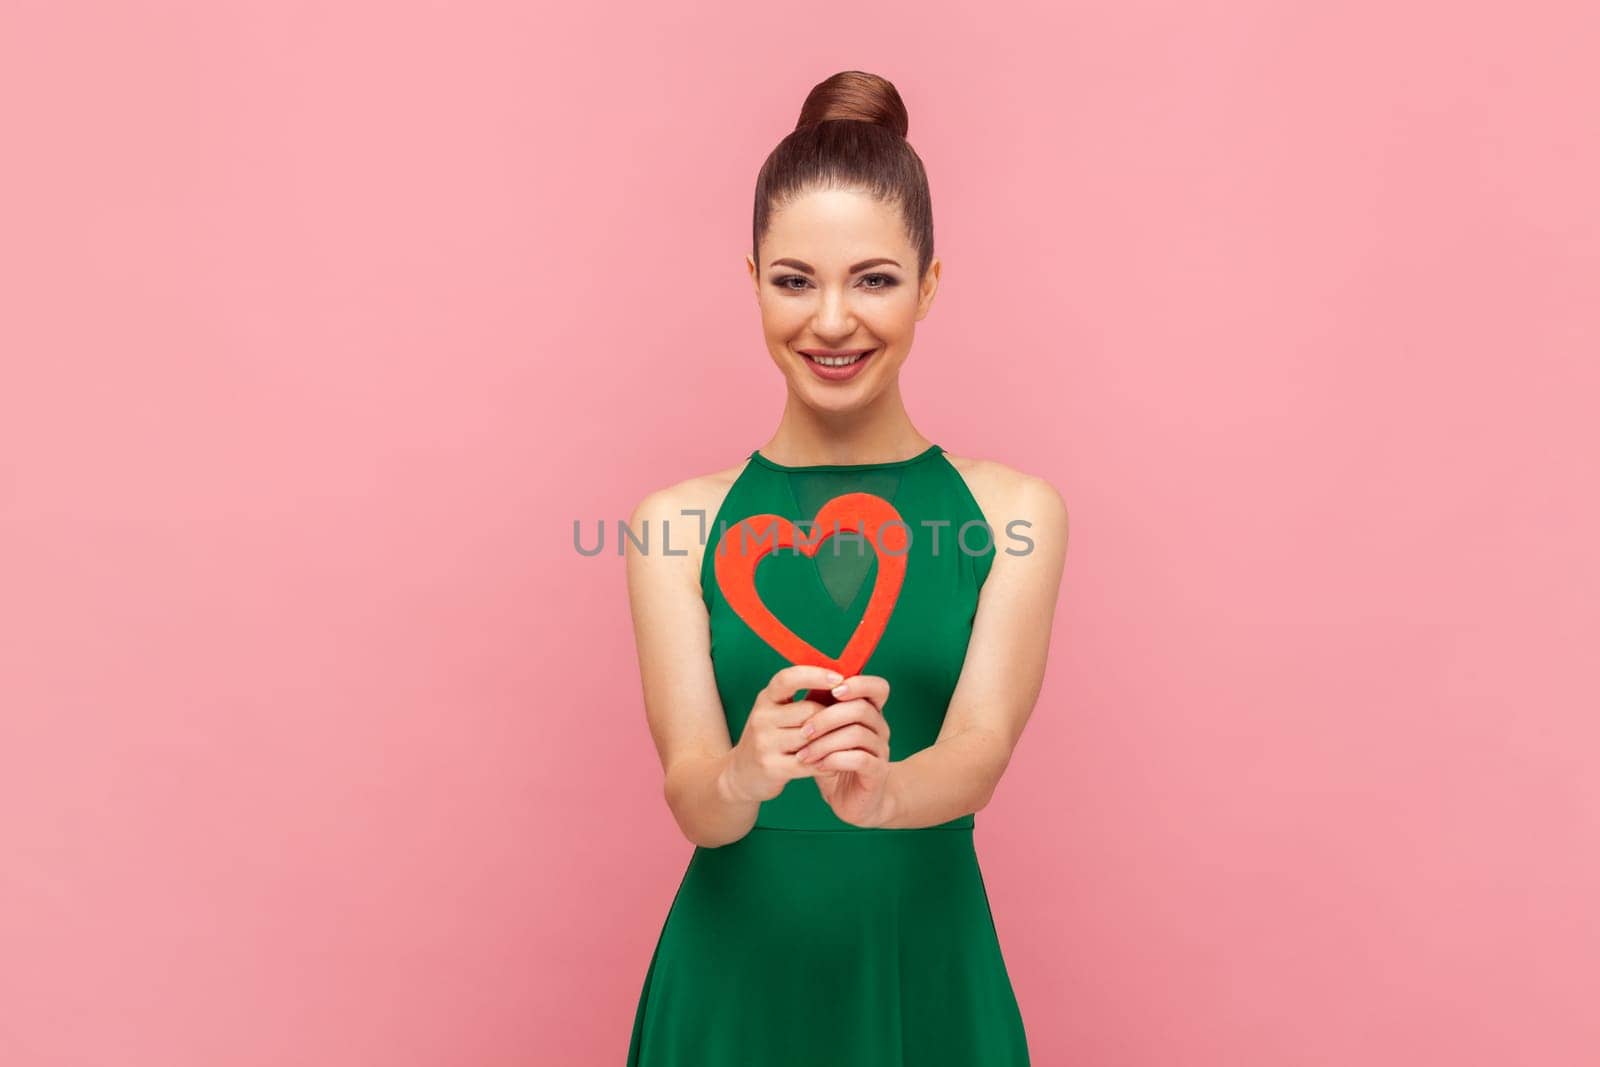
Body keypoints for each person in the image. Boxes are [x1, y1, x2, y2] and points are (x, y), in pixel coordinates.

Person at [623, 70, 1069, 1066]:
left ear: (929, 284)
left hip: (925, 978)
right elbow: (693, 793)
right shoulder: (673, 526)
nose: (831, 320)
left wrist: (886, 795)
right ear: (752, 284)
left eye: (872, 278)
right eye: (794, 280)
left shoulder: (1014, 514)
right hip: (730, 993)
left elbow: (981, 747)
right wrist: (744, 769)